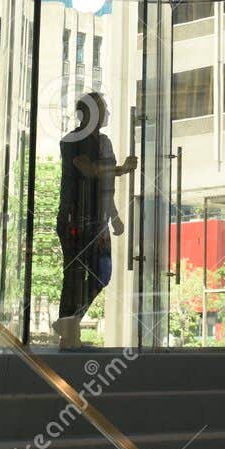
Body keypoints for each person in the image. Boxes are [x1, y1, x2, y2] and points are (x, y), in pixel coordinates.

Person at [53, 93, 135, 349]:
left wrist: (114, 217)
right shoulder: (73, 140)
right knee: (77, 275)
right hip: (75, 218)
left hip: (94, 218)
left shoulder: (100, 141)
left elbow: (104, 187)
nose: (107, 114)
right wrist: (120, 169)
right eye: (103, 109)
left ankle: (69, 325)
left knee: (100, 273)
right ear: (91, 113)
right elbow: (87, 169)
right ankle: (69, 331)